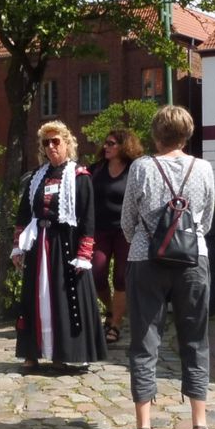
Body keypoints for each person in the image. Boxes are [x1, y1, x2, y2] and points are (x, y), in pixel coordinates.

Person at [120, 105, 215, 429]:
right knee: (195, 340)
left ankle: (144, 427)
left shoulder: (142, 168)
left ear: (156, 134)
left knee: (144, 342)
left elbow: (128, 220)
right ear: (187, 135)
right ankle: (200, 424)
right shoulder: (203, 168)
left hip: (146, 260)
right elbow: (205, 219)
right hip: (193, 260)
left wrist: (147, 240)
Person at [10, 121, 107, 374]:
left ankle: (62, 354)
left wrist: (84, 253)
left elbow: (88, 219)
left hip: (65, 245)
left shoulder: (79, 176)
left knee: (62, 298)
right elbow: (24, 213)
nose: (51, 146)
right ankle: (32, 352)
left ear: (67, 143)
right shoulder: (36, 177)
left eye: (56, 141)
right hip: (38, 244)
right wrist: (18, 247)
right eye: (46, 142)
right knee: (34, 298)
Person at [90, 129, 143, 345]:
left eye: (111, 143)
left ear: (124, 146)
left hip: (124, 231)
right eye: (106, 143)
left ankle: (116, 324)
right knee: (96, 272)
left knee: (121, 277)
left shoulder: (134, 171)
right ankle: (111, 310)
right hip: (100, 230)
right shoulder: (96, 169)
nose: (106, 147)